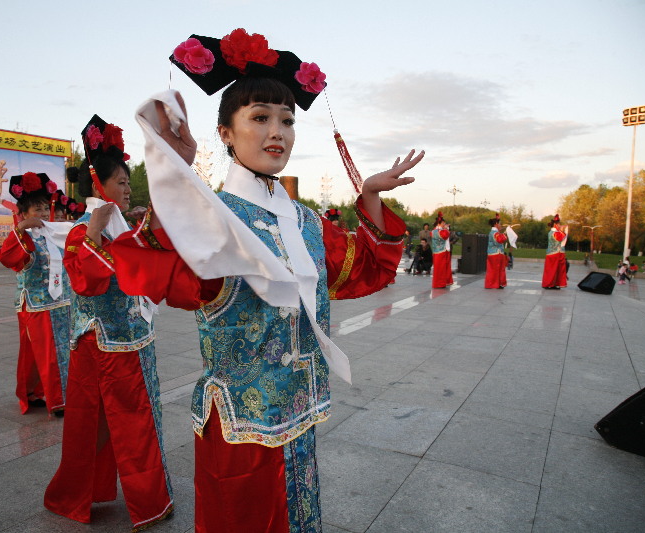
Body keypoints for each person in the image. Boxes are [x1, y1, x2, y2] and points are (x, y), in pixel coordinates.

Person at [109, 28, 424, 532]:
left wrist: (368, 196)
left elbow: (363, 270)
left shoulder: (305, 222)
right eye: (259, 118)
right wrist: (177, 178)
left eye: (286, 120)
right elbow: (164, 271)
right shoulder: (211, 216)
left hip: (300, 412)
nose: (277, 132)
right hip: (241, 426)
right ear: (226, 133)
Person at [44, 116, 174, 530]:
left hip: (135, 340)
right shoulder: (81, 231)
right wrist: (95, 237)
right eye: (120, 183)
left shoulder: (121, 226)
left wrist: (139, 224)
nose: (127, 189)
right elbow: (86, 283)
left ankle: (142, 496)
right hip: (103, 346)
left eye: (128, 183)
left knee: (139, 418)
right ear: (100, 185)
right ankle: (141, 501)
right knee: (115, 424)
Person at [0, 173, 71, 417]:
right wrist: (20, 229)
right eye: (36, 208)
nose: (41, 212)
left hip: (61, 302)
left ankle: (36, 392)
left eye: (43, 207)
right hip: (37, 304)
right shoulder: (24, 237)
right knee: (47, 353)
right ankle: (57, 399)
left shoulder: (54, 233)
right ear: (24, 213)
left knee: (60, 351)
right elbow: (7, 258)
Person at [542, 214, 567, 290]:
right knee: (552, 270)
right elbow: (560, 238)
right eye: (559, 224)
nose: (560, 225)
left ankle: (556, 283)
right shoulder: (554, 233)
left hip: (557, 253)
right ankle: (549, 283)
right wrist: (563, 231)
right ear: (555, 225)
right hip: (553, 253)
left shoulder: (554, 232)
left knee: (558, 270)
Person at [431, 212, 453, 288]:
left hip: (441, 251)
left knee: (444, 267)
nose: (444, 224)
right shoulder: (438, 231)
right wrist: (446, 229)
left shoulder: (436, 231)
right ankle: (439, 283)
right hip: (440, 252)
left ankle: (445, 282)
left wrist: (445, 229)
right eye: (443, 223)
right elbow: (445, 235)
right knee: (440, 268)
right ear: (440, 223)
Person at [485, 214, 508, 289]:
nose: (501, 225)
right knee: (494, 270)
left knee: (499, 269)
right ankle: (493, 284)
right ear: (496, 224)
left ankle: (499, 283)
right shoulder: (493, 233)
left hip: (497, 253)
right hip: (495, 253)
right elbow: (498, 241)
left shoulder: (496, 233)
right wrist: (504, 234)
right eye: (500, 224)